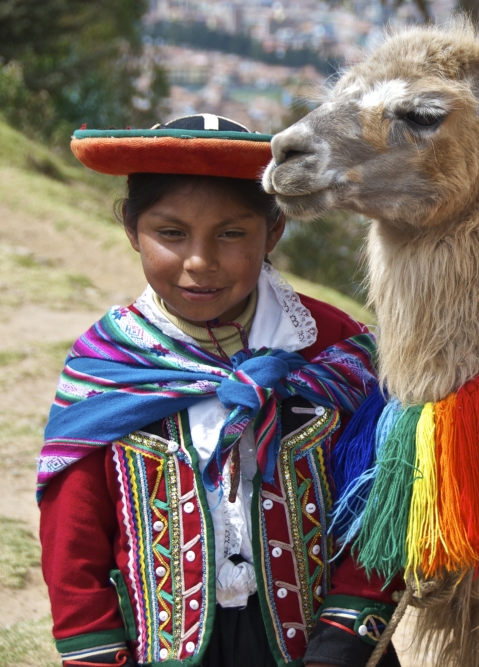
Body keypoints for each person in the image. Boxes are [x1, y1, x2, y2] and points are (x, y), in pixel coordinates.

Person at [38, 114, 402, 667]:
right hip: (159, 649)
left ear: (273, 230)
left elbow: (382, 496)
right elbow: (73, 538)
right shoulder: (109, 364)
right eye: (171, 233)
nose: (199, 262)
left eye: (232, 234)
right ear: (132, 229)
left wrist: (347, 633)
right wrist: (93, 650)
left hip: (324, 645)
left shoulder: (336, 348)